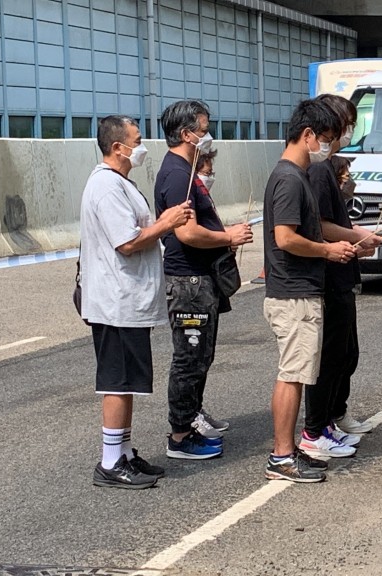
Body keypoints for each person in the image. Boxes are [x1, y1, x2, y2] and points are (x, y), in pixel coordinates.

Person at [80, 115, 193, 488]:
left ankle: (123, 451)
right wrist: (168, 222)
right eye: (137, 140)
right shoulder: (106, 187)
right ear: (118, 147)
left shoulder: (118, 183)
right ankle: (110, 460)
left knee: (128, 380)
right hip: (115, 302)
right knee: (117, 380)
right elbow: (126, 242)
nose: (142, 147)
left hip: (126, 301)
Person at [262, 98, 356, 482]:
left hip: (300, 289)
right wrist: (327, 251)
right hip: (292, 291)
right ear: (307, 135)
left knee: (299, 373)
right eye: (326, 138)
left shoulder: (296, 175)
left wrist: (349, 241)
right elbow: (285, 238)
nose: (328, 147)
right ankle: (281, 456)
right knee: (292, 373)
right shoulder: (288, 177)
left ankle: (289, 451)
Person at [154, 100, 254, 460]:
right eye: (204, 128)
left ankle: (192, 414)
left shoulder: (187, 169)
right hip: (188, 281)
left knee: (202, 354)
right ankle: (180, 435)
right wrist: (228, 236)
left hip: (201, 279)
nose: (207, 135)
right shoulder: (178, 173)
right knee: (189, 357)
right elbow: (188, 234)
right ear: (186, 134)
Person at [298, 94, 382, 459]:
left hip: (343, 270)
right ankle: (318, 426)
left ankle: (332, 418)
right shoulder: (317, 169)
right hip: (328, 275)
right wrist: (355, 237)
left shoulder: (330, 165)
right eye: (344, 125)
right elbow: (319, 226)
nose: (349, 131)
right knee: (330, 357)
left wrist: (357, 236)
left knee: (346, 354)